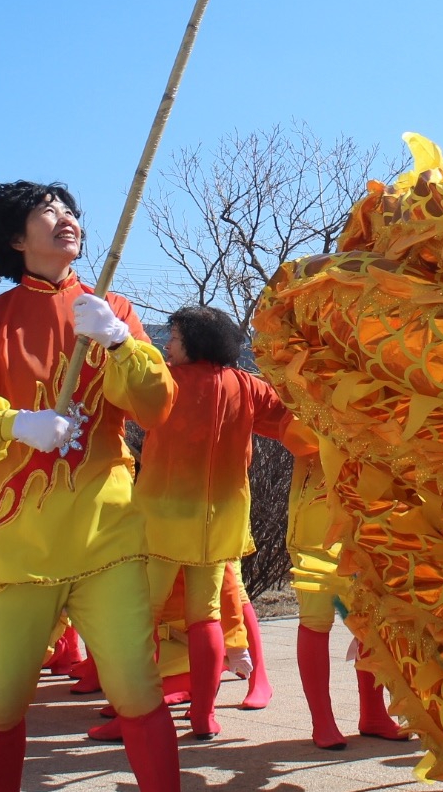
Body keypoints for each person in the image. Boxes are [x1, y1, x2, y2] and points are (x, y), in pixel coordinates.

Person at [0, 181, 179, 792]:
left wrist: (120, 344)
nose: (66, 218)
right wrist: (13, 422)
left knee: (138, 689)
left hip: (107, 536)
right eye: (48, 211)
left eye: (70, 210)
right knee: (1, 700)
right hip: (22, 545)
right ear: (16, 238)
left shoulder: (111, 310)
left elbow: (156, 405)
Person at [105, 304, 314, 740]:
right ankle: (204, 714)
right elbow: (294, 430)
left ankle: (135, 715)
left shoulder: (168, 384)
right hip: (222, 519)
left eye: (174, 338)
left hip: (162, 519)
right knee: (208, 617)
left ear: (192, 343)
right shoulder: (247, 385)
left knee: (141, 618)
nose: (167, 345)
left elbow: (121, 400)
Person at [286, 447, 413, 749]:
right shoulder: (305, 401)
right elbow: (290, 433)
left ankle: (373, 713)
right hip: (317, 525)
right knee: (317, 618)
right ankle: (323, 721)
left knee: (372, 618)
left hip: (368, 517)